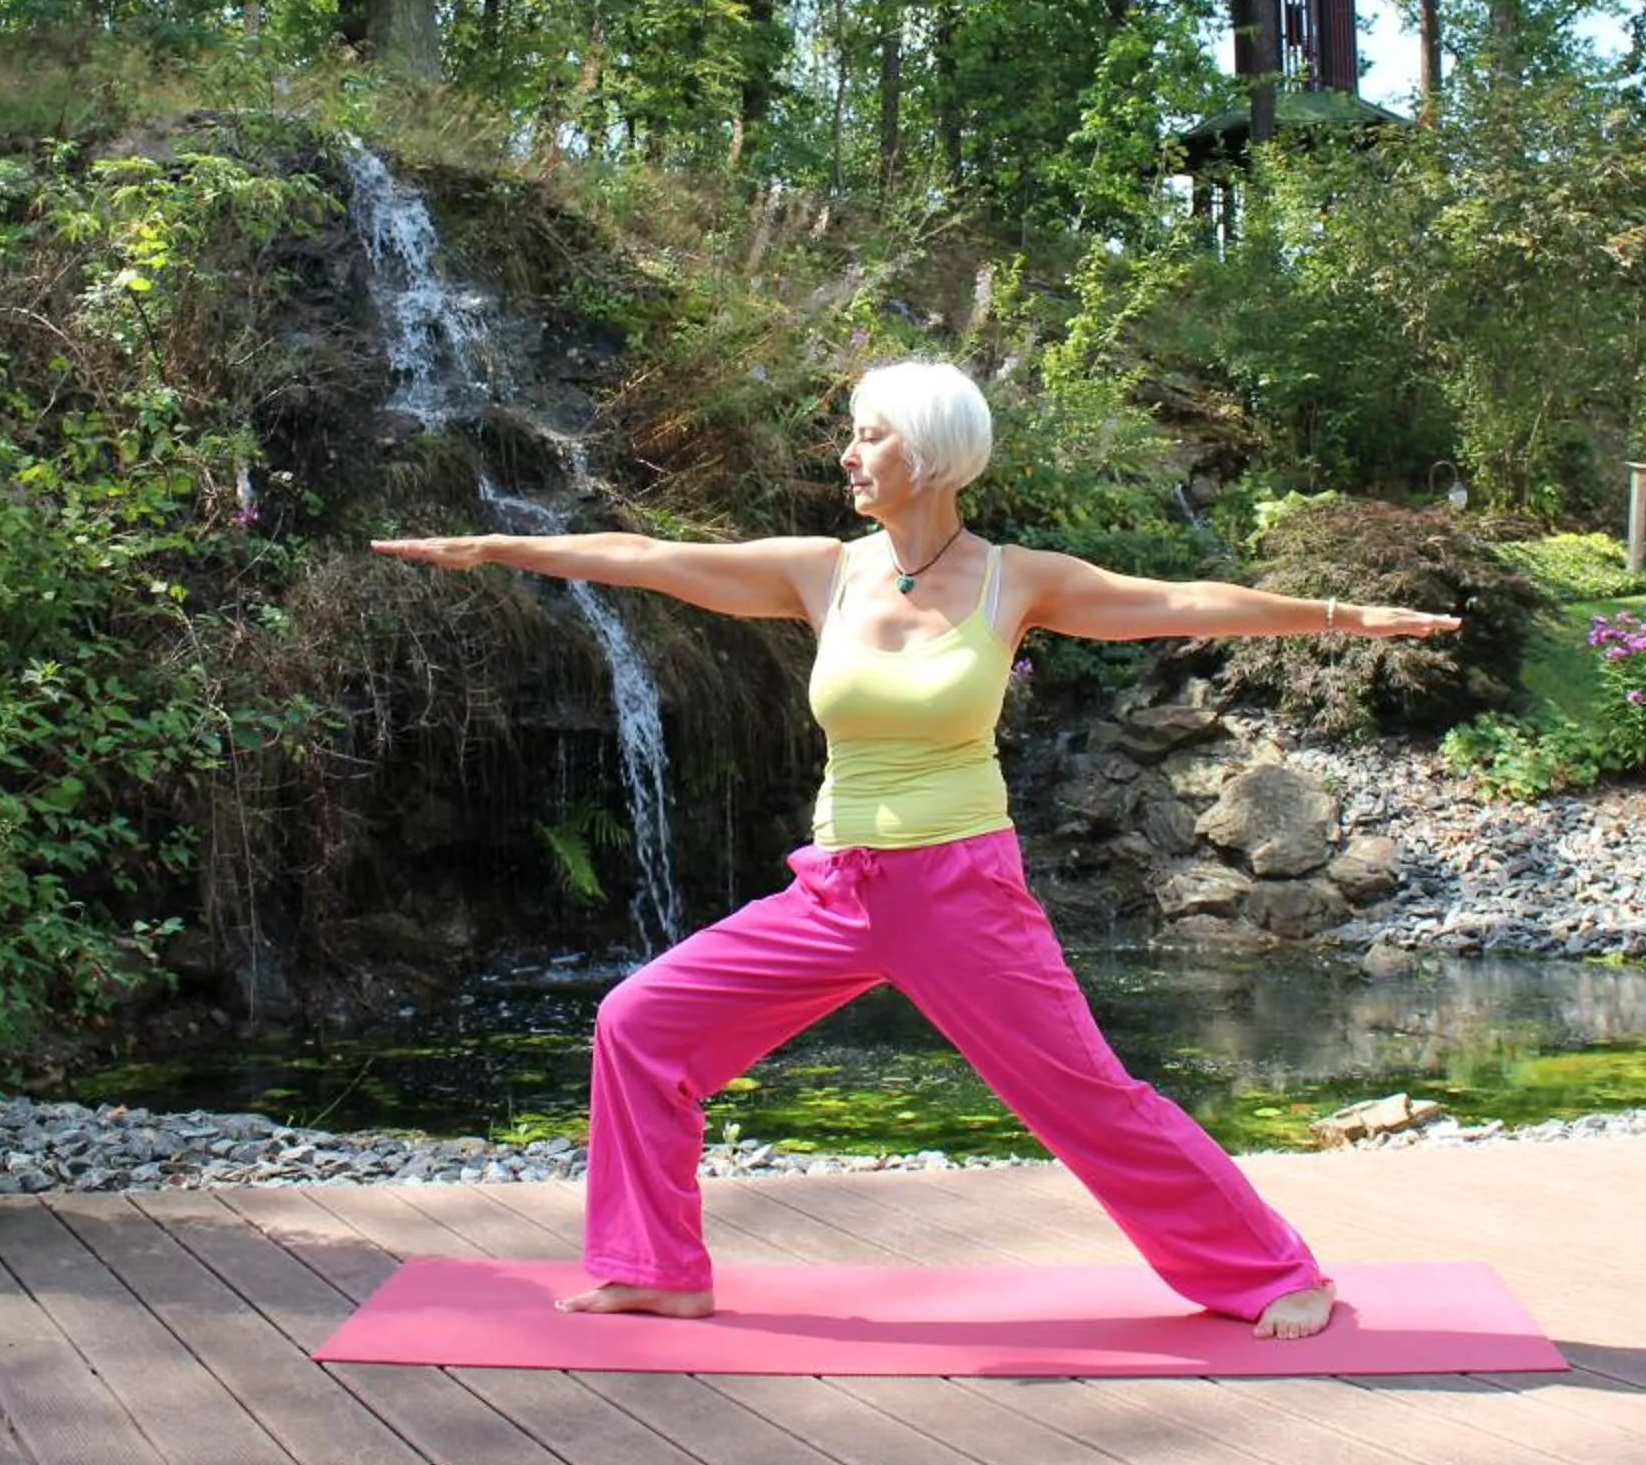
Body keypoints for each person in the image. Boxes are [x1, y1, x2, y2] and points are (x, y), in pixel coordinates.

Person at [373, 359, 1461, 1339]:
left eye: (870, 434)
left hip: (961, 888)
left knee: (1085, 1095)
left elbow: (1177, 599)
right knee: (639, 1021)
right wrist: (505, 546)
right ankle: (657, 1268)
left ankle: (1270, 1270)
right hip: (837, 886)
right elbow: (655, 557)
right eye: (850, 433)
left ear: (931, 452)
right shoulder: (821, 571)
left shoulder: (1014, 577)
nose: (848, 453)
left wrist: (1343, 615)